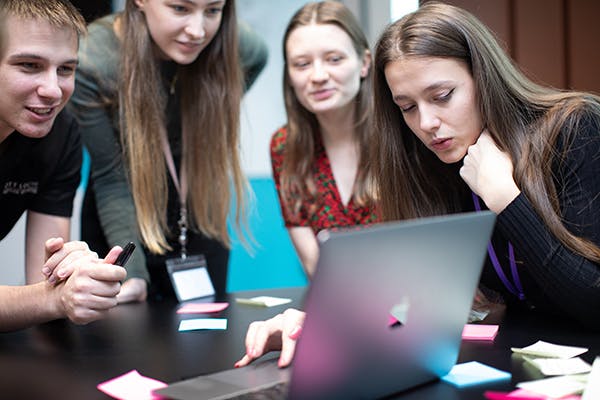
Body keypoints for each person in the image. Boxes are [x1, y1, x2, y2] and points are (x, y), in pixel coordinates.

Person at [236, 1, 600, 367]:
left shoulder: (573, 128)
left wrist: (506, 198)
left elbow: (593, 302)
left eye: (442, 96)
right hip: (527, 360)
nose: (426, 122)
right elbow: (408, 299)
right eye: (407, 107)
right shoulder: (430, 161)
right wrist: (314, 326)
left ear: (483, 75)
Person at [66, 0, 268, 302]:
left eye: (213, 10)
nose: (198, 31)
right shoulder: (92, 60)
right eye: (180, 8)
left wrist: (208, 110)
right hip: (121, 207)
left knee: (207, 336)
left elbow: (257, 57)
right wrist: (131, 275)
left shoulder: (236, 43)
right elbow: (111, 177)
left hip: (196, 199)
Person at [0, 0, 127, 332]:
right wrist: (53, 298)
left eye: (66, 69)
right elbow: (47, 299)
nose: (53, 90)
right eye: (29, 65)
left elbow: (45, 283)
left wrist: (72, 280)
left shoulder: (61, 133)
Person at [270, 1, 377, 278]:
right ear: (289, 75)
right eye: (302, 64)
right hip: (339, 304)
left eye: (334, 59)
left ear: (364, 63)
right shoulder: (285, 146)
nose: (318, 76)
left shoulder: (403, 135)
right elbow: (315, 267)